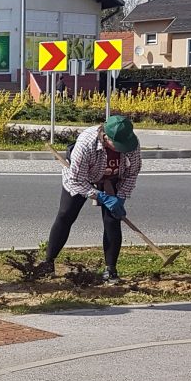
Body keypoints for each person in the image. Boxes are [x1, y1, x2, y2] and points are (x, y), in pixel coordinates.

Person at [40, 115, 142, 283]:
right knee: (66, 214)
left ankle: (111, 270)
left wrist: (121, 196)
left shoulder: (130, 142)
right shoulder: (86, 143)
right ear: (107, 137)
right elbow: (76, 180)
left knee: (112, 220)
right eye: (119, 146)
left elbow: (132, 173)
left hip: (111, 179)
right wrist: (99, 195)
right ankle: (48, 262)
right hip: (82, 177)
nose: (123, 149)